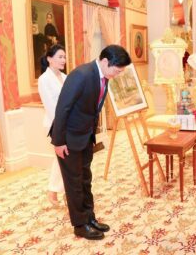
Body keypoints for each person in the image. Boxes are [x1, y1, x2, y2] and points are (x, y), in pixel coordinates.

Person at [49, 45, 131, 240]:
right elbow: (62, 109)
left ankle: (89, 218)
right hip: (68, 139)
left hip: (84, 137)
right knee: (74, 183)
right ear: (105, 62)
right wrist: (59, 142)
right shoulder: (81, 75)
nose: (117, 75)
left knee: (85, 179)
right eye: (117, 70)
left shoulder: (103, 76)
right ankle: (79, 225)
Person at [38, 44, 67, 207]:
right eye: (60, 57)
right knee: (62, 158)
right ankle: (54, 191)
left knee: (64, 159)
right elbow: (50, 107)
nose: (64, 60)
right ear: (49, 59)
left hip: (68, 124)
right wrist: (62, 126)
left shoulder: (65, 77)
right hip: (54, 125)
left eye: (64, 57)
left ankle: (57, 191)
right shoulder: (44, 80)